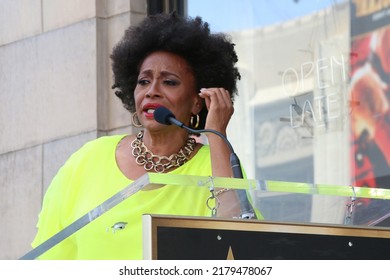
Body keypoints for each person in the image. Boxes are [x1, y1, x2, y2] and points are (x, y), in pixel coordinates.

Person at [31, 12, 260, 260]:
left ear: (197, 101)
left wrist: (216, 133)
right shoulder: (87, 160)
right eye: (143, 81)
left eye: (169, 82)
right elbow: (45, 260)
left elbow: (240, 252)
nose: (152, 92)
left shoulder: (217, 163)